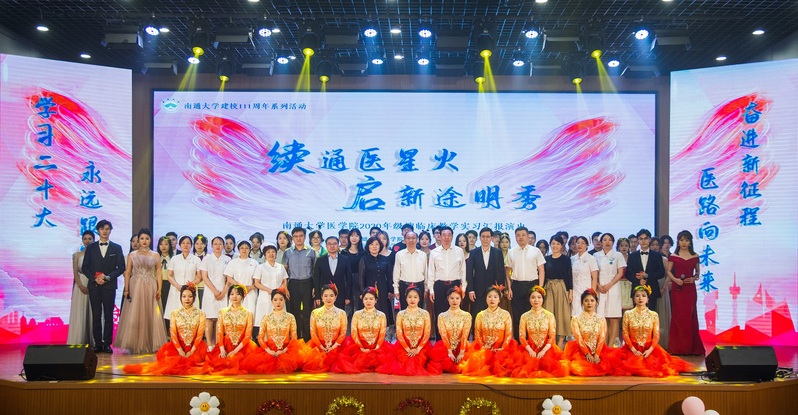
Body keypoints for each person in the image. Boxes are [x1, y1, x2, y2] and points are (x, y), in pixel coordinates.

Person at [124, 284, 207, 375]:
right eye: (184, 296)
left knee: (195, 364)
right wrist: (180, 350)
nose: (187, 299)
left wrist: (192, 351)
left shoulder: (201, 314)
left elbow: (200, 334)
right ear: (180, 297)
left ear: (194, 297)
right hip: (178, 347)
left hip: (195, 347)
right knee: (171, 364)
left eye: (190, 296)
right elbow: (173, 333)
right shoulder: (175, 313)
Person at [615, 285, 693, 377]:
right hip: (631, 349)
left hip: (649, 349)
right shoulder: (628, 314)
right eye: (637, 296)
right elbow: (625, 333)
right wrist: (633, 350)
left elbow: (656, 335)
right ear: (634, 299)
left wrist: (649, 350)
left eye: (643, 296)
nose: (640, 298)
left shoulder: (653, 315)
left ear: (647, 299)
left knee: (660, 366)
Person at [115, 228, 168, 354]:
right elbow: (128, 272)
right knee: (135, 313)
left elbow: (159, 272)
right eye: (142, 238)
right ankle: (134, 343)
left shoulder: (155, 255)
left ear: (150, 240)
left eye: (147, 238)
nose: (144, 241)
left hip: (150, 285)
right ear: (138, 240)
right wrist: (126, 289)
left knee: (151, 312)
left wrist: (159, 288)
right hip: (136, 285)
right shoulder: (132, 255)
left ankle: (149, 342)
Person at [81, 219, 126, 353]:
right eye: (102, 229)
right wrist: (95, 278)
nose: (105, 231)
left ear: (110, 230)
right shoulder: (91, 248)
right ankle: (97, 343)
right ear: (98, 231)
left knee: (108, 315)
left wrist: (107, 277)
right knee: (96, 315)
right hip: (94, 286)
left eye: (107, 229)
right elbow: (85, 267)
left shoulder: (116, 248)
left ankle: (107, 343)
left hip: (109, 286)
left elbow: (121, 267)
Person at [377, 284, 438, 376]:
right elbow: (399, 333)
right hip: (404, 346)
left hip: (421, 346)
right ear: (406, 299)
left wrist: (418, 349)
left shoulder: (425, 314)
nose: (412, 299)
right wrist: (407, 349)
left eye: (415, 297)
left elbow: (427, 333)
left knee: (419, 361)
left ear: (419, 299)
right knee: (405, 361)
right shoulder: (401, 314)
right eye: (410, 297)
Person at [241, 288, 303, 374]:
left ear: (284, 301)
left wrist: (284, 351)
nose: (278, 302)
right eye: (275, 300)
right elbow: (260, 337)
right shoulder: (266, 317)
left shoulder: (290, 317)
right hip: (269, 351)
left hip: (286, 351)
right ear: (271, 301)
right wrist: (268, 350)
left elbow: (294, 337)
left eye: (281, 300)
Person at [512, 285, 569, 378]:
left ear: (543, 299)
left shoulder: (549, 316)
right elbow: (522, 337)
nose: (536, 300)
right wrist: (530, 351)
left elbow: (552, 337)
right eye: (533, 297)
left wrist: (543, 351)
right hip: (529, 348)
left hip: (546, 349)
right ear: (529, 300)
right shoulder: (524, 316)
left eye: (539, 297)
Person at [459, 285, 516, 377]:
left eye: (495, 297)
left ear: (499, 299)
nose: (492, 299)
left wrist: (502, 348)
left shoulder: (505, 314)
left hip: (501, 349)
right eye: (489, 296)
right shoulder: (480, 315)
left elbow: (508, 334)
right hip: (484, 349)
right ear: (485, 299)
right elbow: (477, 334)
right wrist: (483, 347)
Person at [666, 231, 705, 356]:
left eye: (686, 240)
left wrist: (694, 278)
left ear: (690, 242)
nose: (684, 243)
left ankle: (691, 347)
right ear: (678, 242)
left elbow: (697, 273)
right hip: (678, 289)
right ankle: (678, 348)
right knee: (678, 317)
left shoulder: (695, 256)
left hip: (690, 290)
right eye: (681, 240)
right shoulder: (674, 256)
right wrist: (675, 280)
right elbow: (668, 272)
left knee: (690, 316)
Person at [333, 287, 387, 373]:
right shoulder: (357, 314)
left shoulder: (381, 315)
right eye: (366, 299)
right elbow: (354, 333)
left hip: (377, 347)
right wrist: (362, 348)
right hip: (359, 347)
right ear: (362, 300)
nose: (368, 301)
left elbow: (382, 334)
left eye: (371, 299)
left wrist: (376, 349)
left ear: (376, 300)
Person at [505, 226, 546, 340]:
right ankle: (519, 341)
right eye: (518, 235)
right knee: (517, 315)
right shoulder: (511, 252)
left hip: (532, 286)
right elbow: (507, 271)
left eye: (523, 235)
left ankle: (532, 340)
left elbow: (541, 270)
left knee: (533, 314)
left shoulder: (536, 251)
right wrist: (509, 288)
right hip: (517, 285)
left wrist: (540, 288)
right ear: (515, 237)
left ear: (528, 237)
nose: (521, 237)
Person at [205, 285, 257, 375]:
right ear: (229, 296)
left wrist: (234, 352)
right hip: (225, 346)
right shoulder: (223, 312)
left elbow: (247, 336)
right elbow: (220, 332)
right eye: (232, 294)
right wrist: (222, 349)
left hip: (243, 347)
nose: (234, 296)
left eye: (238, 294)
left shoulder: (248, 313)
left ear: (243, 295)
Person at [427, 226, 466, 338]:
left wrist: (463, 288)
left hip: (455, 285)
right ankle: (440, 342)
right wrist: (431, 290)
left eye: (449, 235)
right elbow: (431, 272)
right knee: (440, 314)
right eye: (444, 235)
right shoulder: (434, 252)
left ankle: (455, 340)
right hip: (439, 286)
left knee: (455, 314)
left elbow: (463, 271)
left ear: (452, 237)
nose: (446, 237)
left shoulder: (459, 251)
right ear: (440, 236)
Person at [564, 289, 614, 376]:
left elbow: (602, 338)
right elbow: (578, 338)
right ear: (582, 302)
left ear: (596, 302)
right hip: (581, 350)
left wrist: (597, 355)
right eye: (586, 300)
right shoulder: (576, 319)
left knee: (606, 366)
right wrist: (587, 354)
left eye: (592, 300)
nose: (589, 303)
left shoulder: (601, 319)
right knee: (579, 368)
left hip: (598, 351)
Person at [302, 284, 348, 373]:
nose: (328, 298)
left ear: (335, 297)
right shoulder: (315, 313)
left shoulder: (341, 313)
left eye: (331, 296)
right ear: (322, 298)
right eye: (325, 296)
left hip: (337, 347)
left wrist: (333, 347)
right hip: (318, 347)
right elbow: (313, 332)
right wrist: (321, 347)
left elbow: (343, 333)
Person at [283, 227, 317, 341]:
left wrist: (314, 287)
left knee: (307, 312)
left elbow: (315, 271)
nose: (298, 239)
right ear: (292, 238)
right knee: (294, 312)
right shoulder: (288, 252)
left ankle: (307, 339)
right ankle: (296, 338)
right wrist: (285, 287)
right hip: (293, 284)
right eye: (296, 236)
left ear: (305, 237)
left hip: (308, 283)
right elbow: (284, 271)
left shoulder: (311, 251)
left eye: (301, 236)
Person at [466, 227, 505, 326]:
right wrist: (471, 289)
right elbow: (469, 272)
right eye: (483, 237)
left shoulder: (497, 252)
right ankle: (476, 335)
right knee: (477, 315)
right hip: (477, 290)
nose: (485, 239)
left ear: (491, 238)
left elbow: (501, 272)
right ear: (480, 238)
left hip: (493, 290)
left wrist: (501, 289)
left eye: (487, 237)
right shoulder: (474, 252)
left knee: (492, 316)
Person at [593, 233, 627, 347]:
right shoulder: (596, 256)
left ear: (613, 242)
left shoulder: (618, 255)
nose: (607, 242)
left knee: (613, 317)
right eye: (605, 240)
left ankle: (613, 345)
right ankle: (603, 345)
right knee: (602, 318)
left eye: (610, 240)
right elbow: (594, 273)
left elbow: (620, 273)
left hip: (613, 288)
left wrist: (609, 284)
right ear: (601, 242)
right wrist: (598, 285)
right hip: (600, 289)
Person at [429, 286, 471, 373]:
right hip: (445, 348)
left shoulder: (466, 316)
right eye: (452, 298)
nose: (454, 301)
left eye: (457, 298)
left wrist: (461, 352)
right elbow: (443, 335)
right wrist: (449, 352)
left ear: (461, 299)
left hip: (462, 347)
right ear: (448, 299)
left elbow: (465, 335)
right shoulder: (442, 316)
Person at [199, 236, 231, 349]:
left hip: (224, 292)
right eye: (215, 244)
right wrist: (215, 291)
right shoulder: (206, 259)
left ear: (223, 246)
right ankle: (209, 345)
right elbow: (204, 277)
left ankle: (218, 345)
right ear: (212, 246)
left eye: (220, 244)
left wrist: (223, 292)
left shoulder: (228, 260)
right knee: (208, 318)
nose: (218, 246)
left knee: (219, 319)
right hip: (209, 292)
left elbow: (229, 278)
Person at [165, 236, 201, 330]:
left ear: (191, 245)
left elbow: (199, 277)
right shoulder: (174, 259)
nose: (185, 245)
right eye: (183, 243)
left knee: (191, 317)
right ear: (179, 245)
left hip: (191, 290)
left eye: (188, 243)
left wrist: (189, 286)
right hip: (176, 289)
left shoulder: (196, 259)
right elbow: (169, 275)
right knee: (176, 315)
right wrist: (177, 286)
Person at [253, 244, 289, 341]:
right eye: (268, 252)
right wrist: (269, 290)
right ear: (265, 255)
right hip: (265, 296)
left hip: (279, 297)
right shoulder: (260, 267)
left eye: (273, 252)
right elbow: (256, 283)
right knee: (265, 320)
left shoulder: (280, 267)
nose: (271, 254)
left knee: (279, 320)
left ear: (276, 254)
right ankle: (264, 342)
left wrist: (280, 290)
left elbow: (285, 280)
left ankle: (278, 341)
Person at [625, 229, 666, 312]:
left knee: (651, 314)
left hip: (652, 289)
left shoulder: (657, 255)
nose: (643, 241)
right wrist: (638, 280)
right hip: (636, 289)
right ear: (638, 240)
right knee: (637, 314)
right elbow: (628, 274)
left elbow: (661, 273)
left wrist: (647, 276)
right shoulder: (632, 256)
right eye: (641, 239)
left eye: (645, 238)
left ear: (650, 240)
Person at [543, 235, 573, 349]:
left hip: (561, 287)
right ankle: (551, 343)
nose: (555, 246)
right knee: (549, 313)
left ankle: (560, 343)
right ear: (550, 244)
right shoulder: (546, 259)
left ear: (561, 246)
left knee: (562, 314)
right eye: (553, 243)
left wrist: (570, 292)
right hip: (549, 288)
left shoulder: (566, 259)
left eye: (558, 244)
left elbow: (569, 276)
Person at [67, 231, 96, 346]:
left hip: (93, 284)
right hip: (80, 285)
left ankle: (93, 340)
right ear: (82, 241)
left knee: (93, 311)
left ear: (93, 240)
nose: (87, 241)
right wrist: (80, 286)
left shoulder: (97, 255)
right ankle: (78, 339)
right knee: (80, 311)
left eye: (90, 239)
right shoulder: (77, 255)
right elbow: (75, 273)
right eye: (85, 239)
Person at [224, 241, 259, 324]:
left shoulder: (254, 263)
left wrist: (251, 287)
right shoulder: (233, 262)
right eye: (242, 248)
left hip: (250, 292)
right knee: (235, 315)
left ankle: (249, 332)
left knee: (250, 314)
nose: (244, 250)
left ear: (250, 249)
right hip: (236, 292)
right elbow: (229, 278)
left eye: (246, 248)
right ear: (238, 249)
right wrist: (240, 286)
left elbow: (258, 279)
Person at [313, 237, 352, 311]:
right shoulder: (320, 260)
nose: (332, 246)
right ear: (326, 245)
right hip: (325, 295)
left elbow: (349, 279)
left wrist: (348, 296)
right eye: (329, 244)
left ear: (338, 245)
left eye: (334, 244)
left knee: (339, 314)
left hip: (340, 295)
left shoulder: (345, 259)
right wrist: (317, 296)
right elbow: (316, 279)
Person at [359, 236, 393, 318]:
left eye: (377, 244)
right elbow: (361, 277)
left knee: (383, 309)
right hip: (369, 288)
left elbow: (389, 276)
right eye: (372, 244)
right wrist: (362, 292)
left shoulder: (385, 259)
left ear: (380, 246)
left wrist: (391, 291)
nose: (374, 246)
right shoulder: (364, 259)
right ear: (368, 246)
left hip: (383, 288)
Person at [393, 231, 428, 310]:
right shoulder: (399, 255)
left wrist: (426, 289)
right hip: (404, 286)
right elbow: (396, 273)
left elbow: (426, 273)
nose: (411, 240)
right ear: (405, 240)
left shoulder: (423, 255)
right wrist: (396, 290)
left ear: (417, 240)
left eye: (413, 238)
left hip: (419, 286)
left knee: (419, 311)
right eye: (408, 238)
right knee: (405, 311)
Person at [571, 236, 598, 316]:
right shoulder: (572, 259)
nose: (580, 245)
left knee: (586, 313)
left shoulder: (591, 258)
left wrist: (592, 293)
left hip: (586, 289)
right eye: (578, 243)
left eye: (582, 243)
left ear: (587, 245)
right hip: (575, 291)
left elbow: (594, 277)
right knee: (575, 314)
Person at [340, 228, 365, 313]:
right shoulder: (344, 252)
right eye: (352, 236)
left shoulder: (363, 253)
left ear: (360, 238)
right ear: (349, 238)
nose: (354, 238)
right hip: (346, 280)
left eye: (356, 236)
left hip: (359, 280)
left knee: (358, 305)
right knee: (347, 305)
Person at [157, 236, 174, 322]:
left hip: (170, 284)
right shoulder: (155, 258)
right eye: (161, 244)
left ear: (170, 246)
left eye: (166, 244)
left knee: (169, 305)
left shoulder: (174, 258)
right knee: (159, 306)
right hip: (158, 284)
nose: (163, 246)